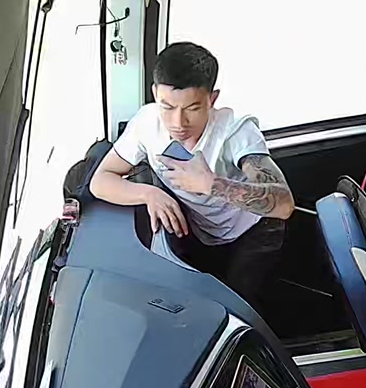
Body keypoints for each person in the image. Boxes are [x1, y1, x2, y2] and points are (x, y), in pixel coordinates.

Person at [90, 42, 295, 305]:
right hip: (201, 230)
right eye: (167, 107)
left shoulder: (236, 132)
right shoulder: (146, 123)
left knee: (236, 307)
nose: (178, 123)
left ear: (212, 99)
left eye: (192, 108)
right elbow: (101, 180)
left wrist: (212, 184)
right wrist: (149, 194)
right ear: (155, 93)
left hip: (254, 230)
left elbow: (284, 204)